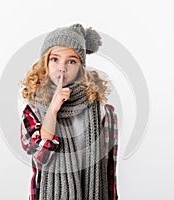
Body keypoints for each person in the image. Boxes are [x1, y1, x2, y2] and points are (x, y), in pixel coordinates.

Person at [19, 23, 119, 200]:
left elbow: (109, 169)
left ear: (81, 67)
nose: (62, 67)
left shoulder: (103, 111)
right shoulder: (33, 109)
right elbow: (41, 155)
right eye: (55, 59)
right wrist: (53, 108)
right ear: (45, 63)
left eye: (71, 61)